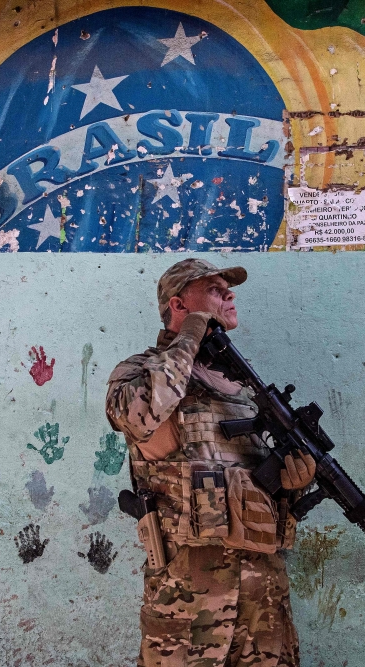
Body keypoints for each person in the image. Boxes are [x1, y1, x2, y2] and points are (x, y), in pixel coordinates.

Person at [106, 258, 316, 667]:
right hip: (190, 597)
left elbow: (252, 485)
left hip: (262, 593)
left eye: (228, 289)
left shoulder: (240, 389)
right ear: (179, 304)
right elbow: (143, 413)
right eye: (216, 290)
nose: (230, 295)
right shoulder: (138, 372)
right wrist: (189, 335)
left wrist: (294, 483)